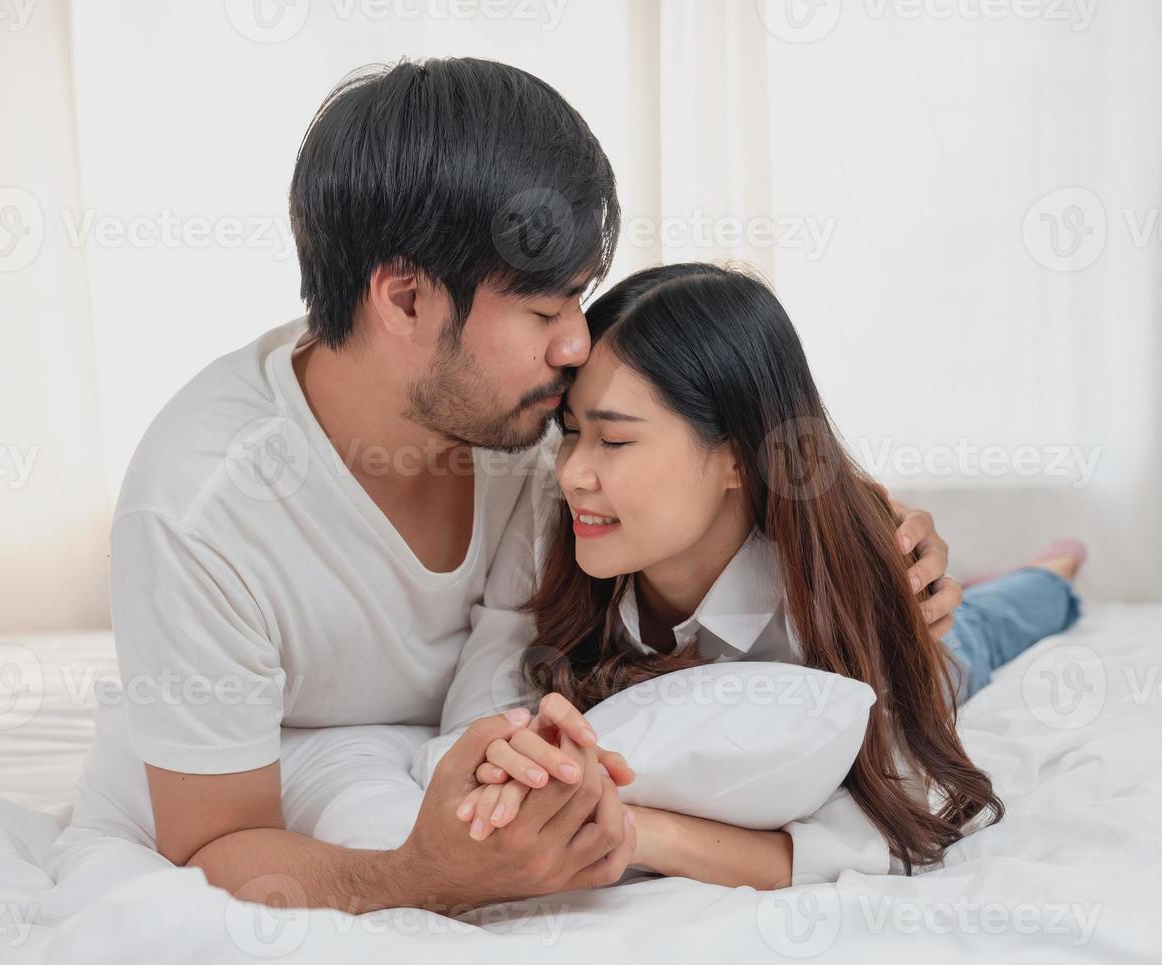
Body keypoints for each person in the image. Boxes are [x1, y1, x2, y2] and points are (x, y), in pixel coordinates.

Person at [53, 59, 964, 915]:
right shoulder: (198, 512)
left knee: (990, 628)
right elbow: (214, 840)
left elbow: (721, 409)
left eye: (579, 298)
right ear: (405, 302)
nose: (577, 344)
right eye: (543, 310)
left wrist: (863, 525)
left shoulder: (523, 402)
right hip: (423, 750)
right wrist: (423, 875)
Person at [428, 264, 1084, 890]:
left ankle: (1049, 570)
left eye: (616, 441)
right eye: (569, 434)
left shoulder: (838, 606)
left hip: (934, 641)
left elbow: (882, 833)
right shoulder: (556, 529)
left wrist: (632, 828)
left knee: (985, 629)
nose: (572, 472)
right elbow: (464, 736)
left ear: (740, 458)